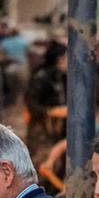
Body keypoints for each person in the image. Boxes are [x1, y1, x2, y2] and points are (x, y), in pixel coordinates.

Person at [25, 39, 68, 168]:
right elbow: (31, 104)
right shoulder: (42, 77)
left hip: (58, 129)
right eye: (67, 57)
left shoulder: (62, 76)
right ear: (59, 58)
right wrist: (51, 111)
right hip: (41, 130)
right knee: (42, 164)